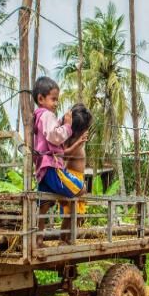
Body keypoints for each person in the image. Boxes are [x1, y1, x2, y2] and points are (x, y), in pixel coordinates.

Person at [31, 76, 84, 245]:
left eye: (57, 100)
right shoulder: (47, 115)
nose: (56, 104)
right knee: (81, 190)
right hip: (52, 167)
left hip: (43, 169)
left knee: (43, 206)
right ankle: (66, 237)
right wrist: (67, 126)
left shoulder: (37, 116)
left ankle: (38, 239)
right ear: (41, 99)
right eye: (53, 99)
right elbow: (54, 136)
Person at [59, 103, 92, 241]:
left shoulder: (78, 137)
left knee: (79, 216)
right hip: (71, 177)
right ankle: (64, 239)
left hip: (78, 177)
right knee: (70, 215)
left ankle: (67, 239)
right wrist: (78, 142)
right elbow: (63, 156)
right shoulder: (69, 138)